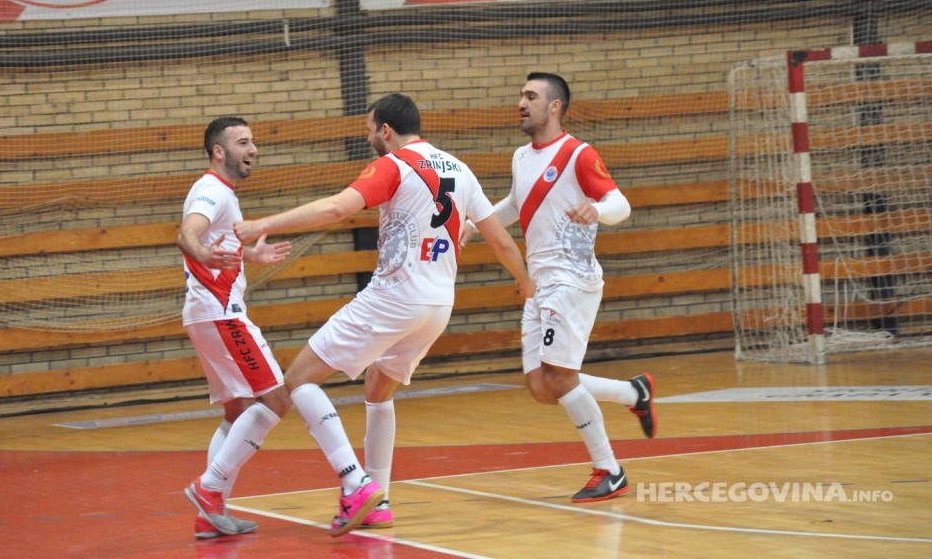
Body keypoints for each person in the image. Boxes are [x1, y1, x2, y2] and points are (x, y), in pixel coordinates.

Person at [234, 93, 534, 536]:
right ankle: (379, 499)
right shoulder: (458, 168)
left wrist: (265, 224)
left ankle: (357, 486)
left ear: (386, 131)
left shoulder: (394, 164)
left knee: (297, 382)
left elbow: (338, 208)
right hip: (437, 306)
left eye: (370, 130)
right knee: (378, 389)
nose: (369, 137)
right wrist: (525, 283)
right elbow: (502, 241)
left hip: (395, 298)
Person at [461, 72, 657, 503]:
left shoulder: (579, 154)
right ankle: (632, 392)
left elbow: (621, 204)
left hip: (571, 279)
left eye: (530, 96)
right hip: (540, 282)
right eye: (520, 95)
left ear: (555, 106)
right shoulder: (521, 157)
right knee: (541, 385)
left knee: (561, 376)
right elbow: (516, 205)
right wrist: (478, 225)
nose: (521, 103)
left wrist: (598, 209)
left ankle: (609, 469)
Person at [177, 116, 294, 538]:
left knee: (237, 409)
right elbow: (188, 233)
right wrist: (202, 255)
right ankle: (209, 491)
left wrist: (249, 257)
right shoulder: (212, 190)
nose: (254, 149)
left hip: (206, 313)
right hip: (221, 314)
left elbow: (216, 243)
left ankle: (210, 514)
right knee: (277, 400)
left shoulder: (222, 192)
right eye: (243, 142)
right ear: (218, 152)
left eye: (254, 141)